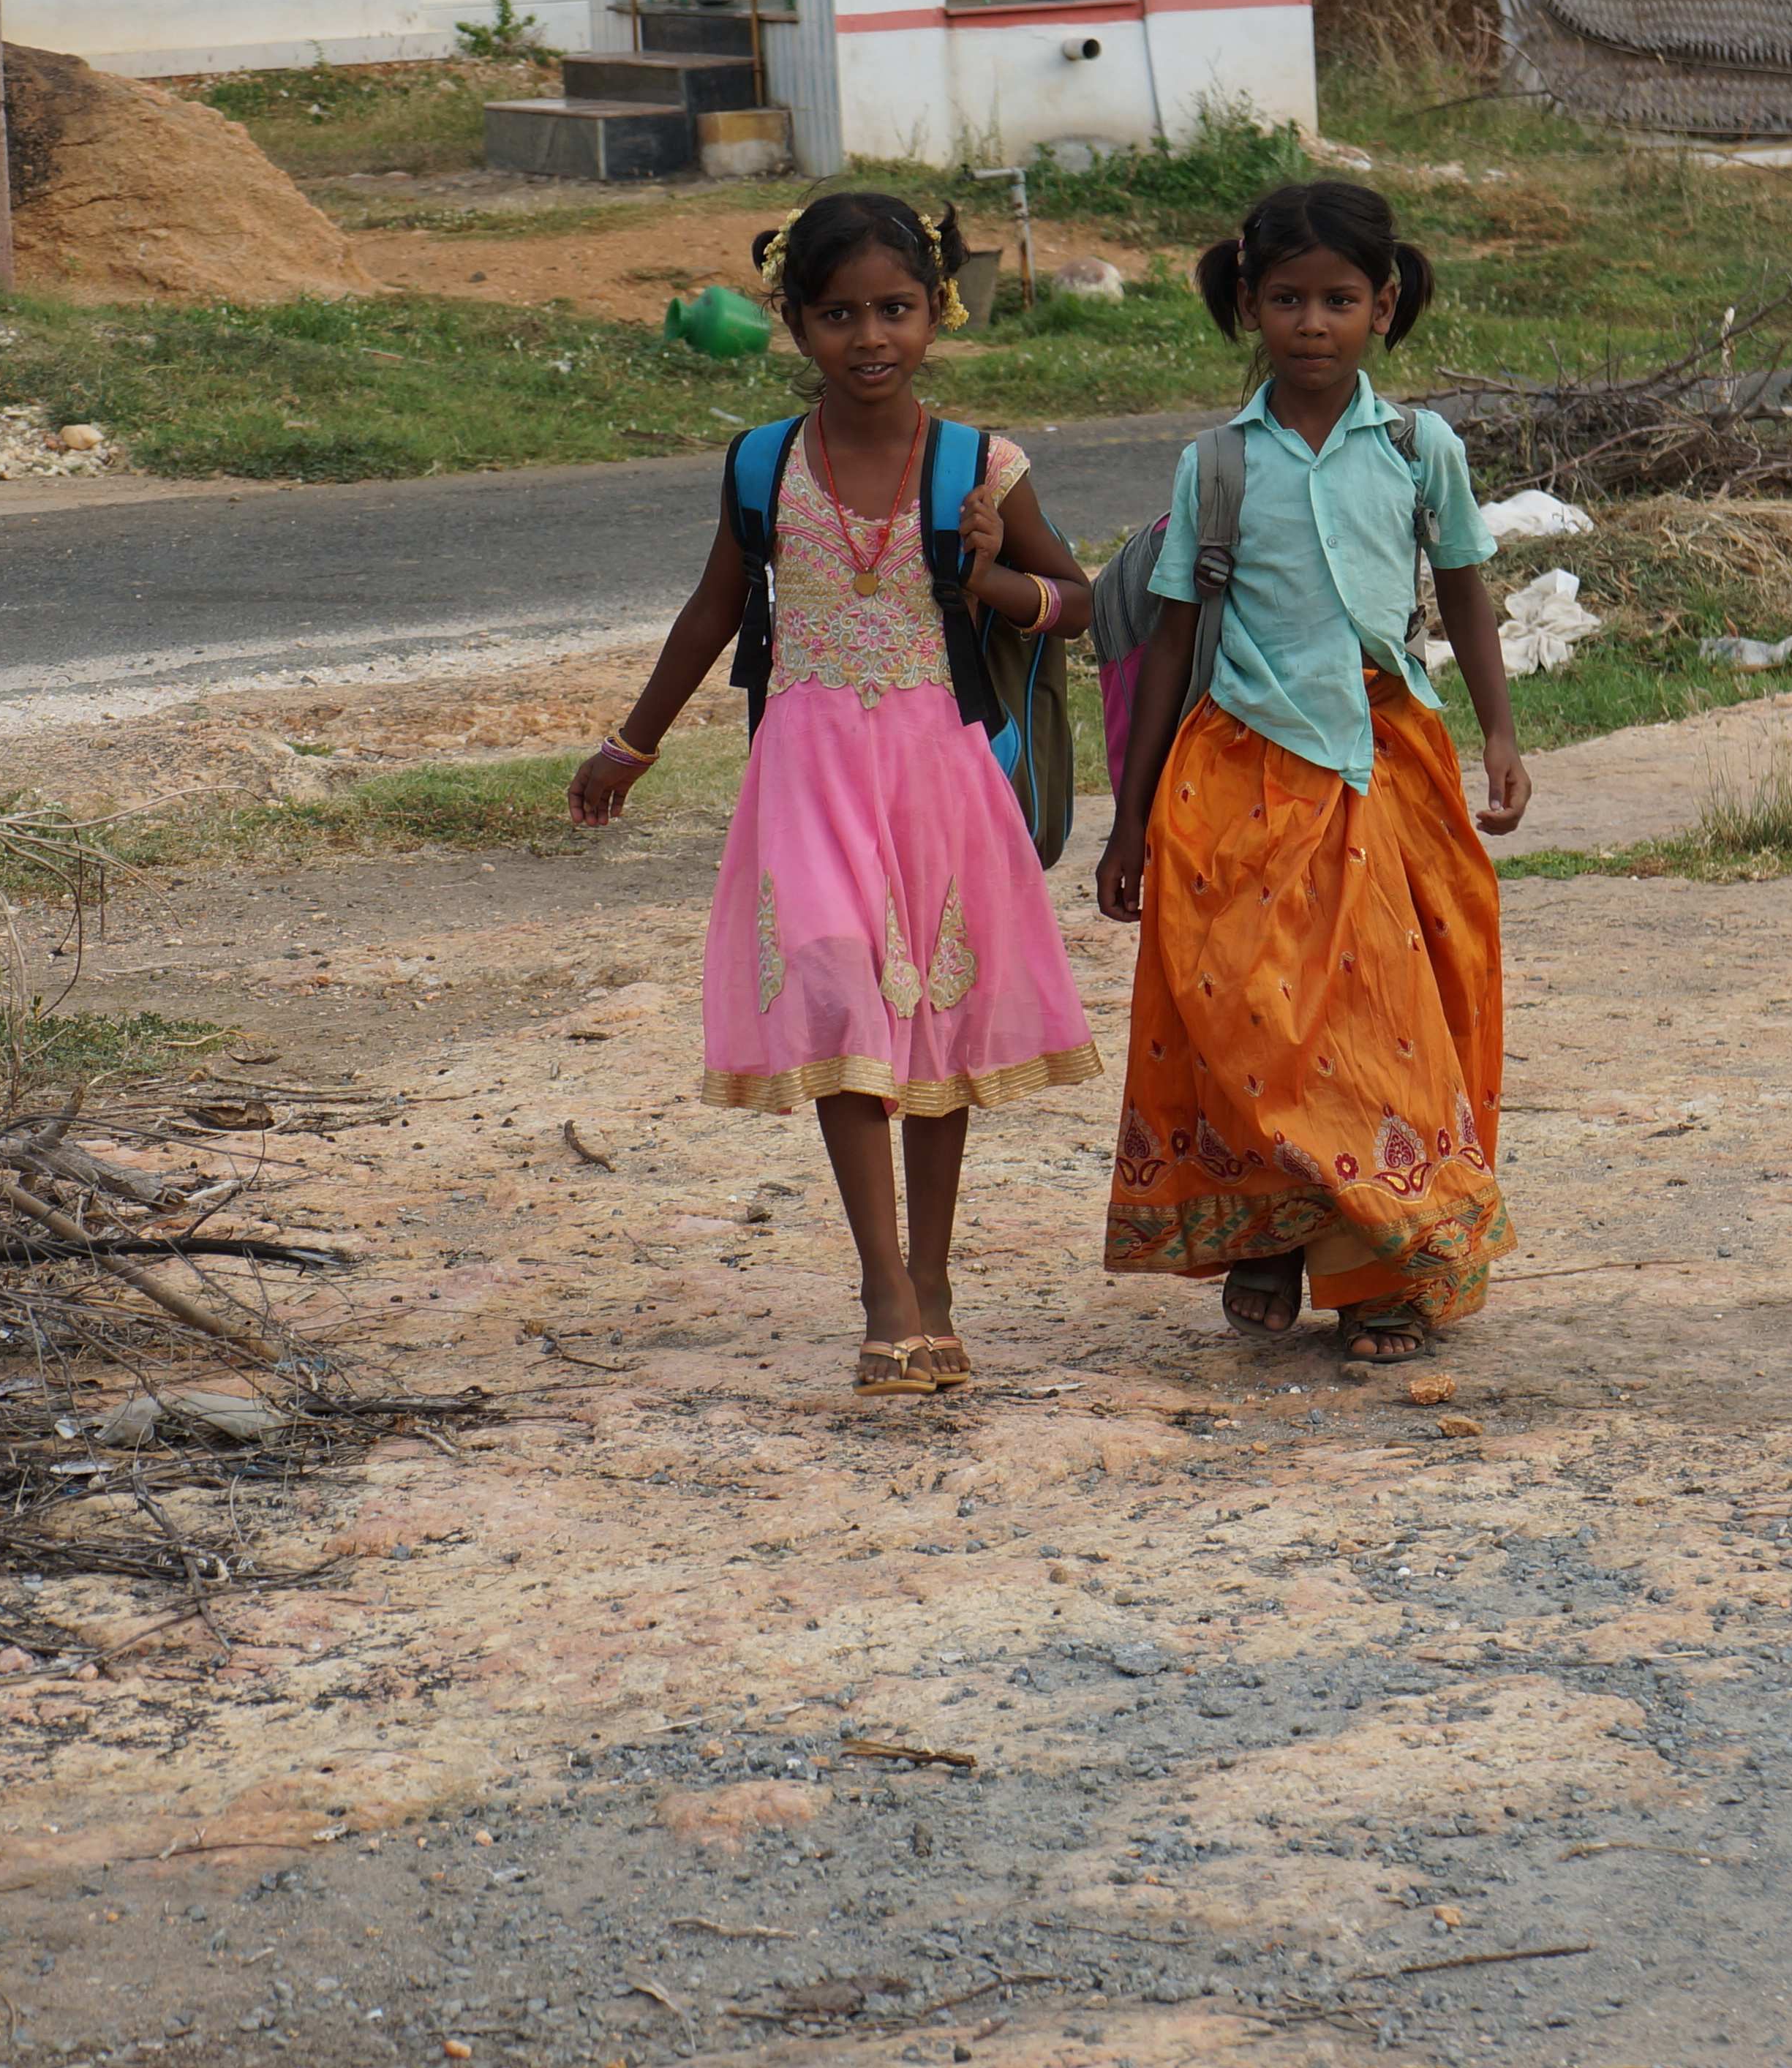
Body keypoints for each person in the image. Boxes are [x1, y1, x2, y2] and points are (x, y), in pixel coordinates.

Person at [569, 191, 1102, 1398]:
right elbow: (715, 608)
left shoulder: (981, 465)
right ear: (796, 321)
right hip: (806, 770)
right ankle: (883, 1291)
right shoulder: (763, 463)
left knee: (938, 1010)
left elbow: (1081, 601)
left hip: (939, 771)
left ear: (938, 312)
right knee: (835, 982)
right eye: (839, 315)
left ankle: (936, 1282)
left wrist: (993, 579)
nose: (871, 338)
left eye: (897, 310)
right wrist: (633, 743)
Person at [1093, 180, 1530, 1363]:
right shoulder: (1216, 466)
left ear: (1383, 306)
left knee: (1392, 1016)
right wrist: (1128, 821)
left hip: (1387, 763)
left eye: (1339, 299)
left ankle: (1381, 1268)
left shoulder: (1420, 449)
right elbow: (1173, 639)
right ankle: (1272, 1229)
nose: (1313, 324)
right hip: (1240, 771)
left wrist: (1498, 733)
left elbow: (1465, 592)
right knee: (1251, 1014)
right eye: (1287, 299)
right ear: (1249, 305)